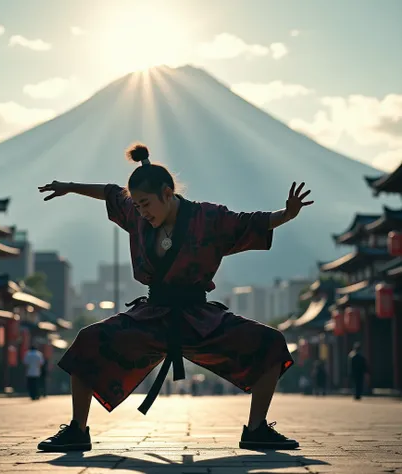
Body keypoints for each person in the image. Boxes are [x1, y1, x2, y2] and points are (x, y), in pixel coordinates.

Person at [36, 143, 314, 452]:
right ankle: (77, 430)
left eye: (145, 204)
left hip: (199, 318)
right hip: (152, 315)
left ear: (168, 193)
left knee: (271, 343)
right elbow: (109, 192)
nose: (141, 212)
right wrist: (70, 187)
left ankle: (257, 429)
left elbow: (250, 222)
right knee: (87, 341)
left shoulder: (208, 217)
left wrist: (287, 214)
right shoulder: (136, 213)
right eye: (137, 206)